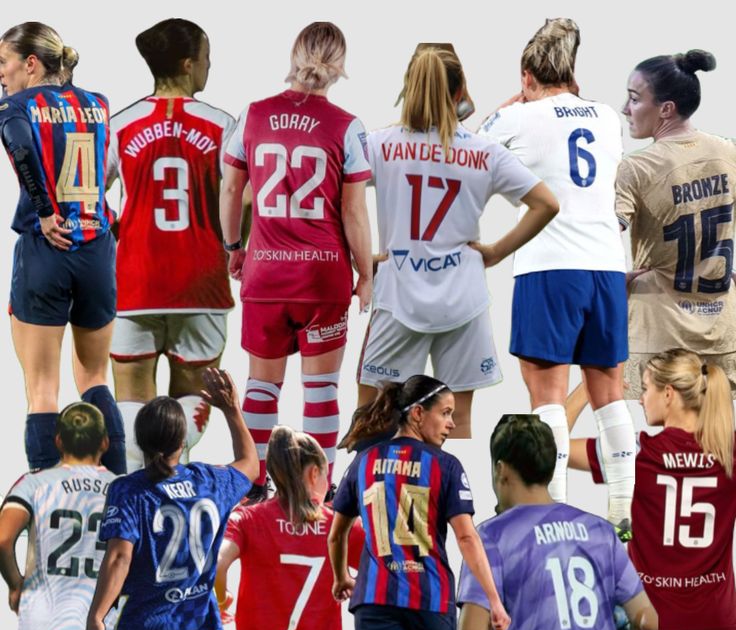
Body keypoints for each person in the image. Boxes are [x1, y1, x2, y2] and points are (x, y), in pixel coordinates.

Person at [479, 20, 634, 530]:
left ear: (527, 76)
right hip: (607, 266)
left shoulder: (521, 119)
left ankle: (557, 514)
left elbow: (473, 149)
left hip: (550, 265)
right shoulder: (608, 117)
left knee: (547, 398)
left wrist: (512, 105)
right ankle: (622, 511)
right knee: (609, 391)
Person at [359, 44, 556, 441]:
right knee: (456, 422)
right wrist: (495, 253)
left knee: (375, 417)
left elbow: (337, 194)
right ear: (460, 90)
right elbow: (546, 204)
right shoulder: (485, 152)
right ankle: (451, 502)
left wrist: (362, 258)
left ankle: (375, 500)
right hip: (463, 298)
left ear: (408, 87)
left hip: (400, 294)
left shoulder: (378, 145)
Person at [222, 20, 372, 493]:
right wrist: (365, 273)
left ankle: (253, 487)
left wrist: (233, 247)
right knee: (321, 391)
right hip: (322, 277)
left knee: (261, 389)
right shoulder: (347, 126)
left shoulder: (251, 115)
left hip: (266, 272)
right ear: (340, 65)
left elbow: (231, 188)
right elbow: (353, 210)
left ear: (294, 54)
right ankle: (319, 491)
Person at [329, 376, 509, 630]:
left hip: (375, 598)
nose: (451, 424)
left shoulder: (365, 460)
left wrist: (341, 576)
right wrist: (494, 601)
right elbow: (466, 538)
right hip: (431, 597)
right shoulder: (445, 465)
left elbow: (337, 532)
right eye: (445, 413)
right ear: (416, 414)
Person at [570, 349, 736, 630]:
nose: (639, 399)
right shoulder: (729, 450)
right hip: (716, 618)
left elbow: (550, 445)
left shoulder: (638, 453)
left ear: (668, 394)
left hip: (652, 622)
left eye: (642, 390)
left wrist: (592, 386)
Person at [85, 367, 258, 630]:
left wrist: (96, 616)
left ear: (139, 441)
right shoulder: (210, 481)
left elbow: (118, 556)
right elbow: (249, 464)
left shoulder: (129, 491)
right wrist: (231, 410)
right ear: (183, 440)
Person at [457, 414, 657, 630]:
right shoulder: (599, 530)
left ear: (501, 470)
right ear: (551, 468)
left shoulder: (490, 537)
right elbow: (648, 622)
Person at [107, 19, 237, 468]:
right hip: (200, 284)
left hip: (135, 283)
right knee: (191, 398)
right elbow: (244, 199)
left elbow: (88, 196)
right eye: (205, 57)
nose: (208, 66)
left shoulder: (120, 124)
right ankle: (172, 487)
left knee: (130, 405)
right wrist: (235, 246)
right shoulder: (222, 125)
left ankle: (135, 498)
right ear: (187, 65)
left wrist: (115, 227)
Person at [0, 22, 125, 473]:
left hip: (46, 247)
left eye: (3, 62)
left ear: (30, 63)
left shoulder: (16, 104)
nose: (1, 73)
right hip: (95, 248)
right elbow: (108, 170)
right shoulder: (98, 105)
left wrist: (45, 208)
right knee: (95, 378)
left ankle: (46, 501)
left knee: (42, 388)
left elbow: (18, 146)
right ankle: (118, 491)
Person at [216, 427, 363, 630]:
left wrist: (221, 599)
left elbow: (217, 563)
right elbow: (382, 568)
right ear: (314, 473)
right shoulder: (337, 528)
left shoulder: (247, 518)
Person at [0, 402, 118, 630]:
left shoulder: (34, 483)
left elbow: (3, 538)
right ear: (105, 443)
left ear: (57, 441)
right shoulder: (120, 488)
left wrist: (16, 584)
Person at [616, 49, 736, 398]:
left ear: (666, 109)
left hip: (660, 334)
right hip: (723, 331)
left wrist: (612, 283)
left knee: (662, 448)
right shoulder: (728, 152)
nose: (625, 109)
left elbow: (605, 237)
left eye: (635, 99)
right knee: (714, 444)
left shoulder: (636, 168)